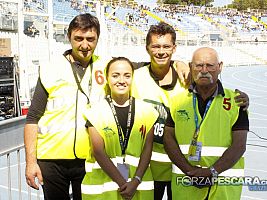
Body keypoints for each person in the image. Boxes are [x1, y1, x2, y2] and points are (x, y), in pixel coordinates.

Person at [131, 22, 249, 200]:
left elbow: (210, 86)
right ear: (147, 48)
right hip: (146, 169)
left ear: (174, 48)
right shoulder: (134, 77)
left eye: (166, 46)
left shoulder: (185, 79)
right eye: (155, 46)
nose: (161, 51)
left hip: (178, 172)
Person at [24, 13, 107, 200]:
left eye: (90, 39)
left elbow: (146, 68)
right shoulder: (50, 68)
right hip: (51, 159)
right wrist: (31, 162)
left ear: (97, 39)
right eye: (78, 38)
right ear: (69, 37)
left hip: (91, 158)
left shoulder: (108, 67)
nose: (85, 45)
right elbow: (32, 119)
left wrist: (179, 65)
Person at [164, 47, 249, 200]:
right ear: (190, 66)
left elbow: (239, 146)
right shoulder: (177, 101)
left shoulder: (236, 101)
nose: (204, 70)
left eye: (210, 65)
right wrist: (189, 171)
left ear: (220, 67)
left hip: (223, 190)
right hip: (186, 188)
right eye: (198, 65)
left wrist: (212, 172)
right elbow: (168, 140)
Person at [81, 57, 158, 199]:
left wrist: (136, 181)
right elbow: (99, 152)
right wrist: (123, 184)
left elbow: (147, 148)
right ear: (107, 78)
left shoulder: (147, 111)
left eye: (127, 75)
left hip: (138, 188)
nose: (121, 80)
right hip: (103, 190)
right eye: (115, 75)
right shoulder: (95, 111)